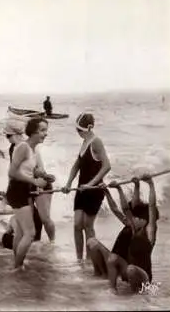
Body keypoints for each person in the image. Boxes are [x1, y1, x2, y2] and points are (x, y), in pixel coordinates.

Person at [86, 174, 158, 294]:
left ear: (144, 221)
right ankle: (112, 290)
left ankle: (137, 297)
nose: (133, 219)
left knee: (131, 269)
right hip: (128, 271)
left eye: (137, 218)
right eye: (134, 217)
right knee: (114, 259)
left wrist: (151, 184)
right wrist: (114, 190)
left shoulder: (150, 232)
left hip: (143, 277)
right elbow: (124, 209)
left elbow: (152, 206)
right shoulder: (133, 228)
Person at [62, 113, 111, 264]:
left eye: (80, 130)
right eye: (77, 130)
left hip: (94, 191)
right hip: (81, 190)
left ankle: (91, 261)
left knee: (88, 227)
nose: (78, 133)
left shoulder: (96, 142)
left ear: (88, 128)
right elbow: (77, 165)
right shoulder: (84, 142)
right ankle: (79, 261)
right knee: (77, 225)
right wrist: (69, 183)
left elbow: (107, 166)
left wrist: (91, 184)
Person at [6, 117, 51, 270]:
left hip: (22, 190)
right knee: (30, 233)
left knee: (20, 232)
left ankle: (17, 263)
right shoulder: (23, 147)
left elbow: (29, 169)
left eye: (46, 130)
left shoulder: (31, 149)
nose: (45, 134)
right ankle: (17, 267)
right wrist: (34, 182)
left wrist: (44, 176)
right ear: (33, 132)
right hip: (16, 191)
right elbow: (12, 172)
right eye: (42, 130)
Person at [4, 122, 47, 242]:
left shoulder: (27, 147)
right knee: (26, 222)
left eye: (8, 136)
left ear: (16, 135)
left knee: (32, 219)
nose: (7, 139)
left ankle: (29, 243)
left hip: (30, 185)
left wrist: (40, 181)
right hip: (22, 186)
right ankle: (25, 245)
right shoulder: (13, 148)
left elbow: (39, 167)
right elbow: (12, 171)